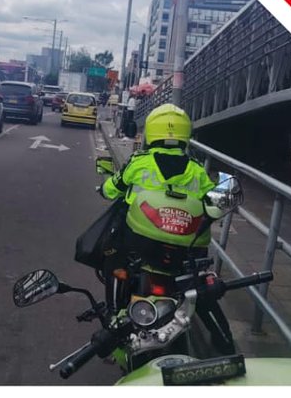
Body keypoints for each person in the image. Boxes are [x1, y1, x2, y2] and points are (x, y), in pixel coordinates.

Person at [100, 103, 234, 351]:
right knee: (200, 289)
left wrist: (105, 187)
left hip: (139, 244)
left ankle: (113, 313)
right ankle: (225, 343)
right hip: (184, 253)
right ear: (185, 136)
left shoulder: (139, 163)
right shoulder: (196, 170)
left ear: (150, 133)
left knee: (112, 261)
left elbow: (111, 189)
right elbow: (211, 204)